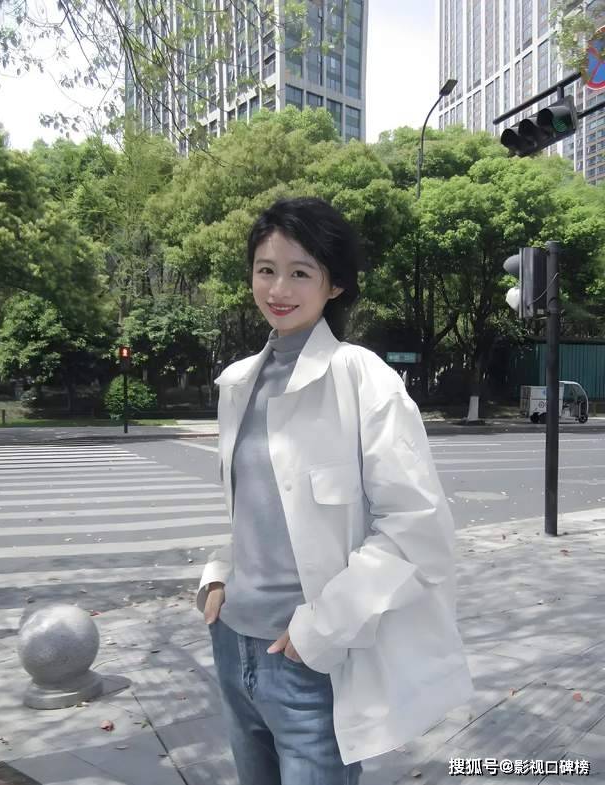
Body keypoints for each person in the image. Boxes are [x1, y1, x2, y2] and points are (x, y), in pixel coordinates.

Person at [196, 197, 474, 785]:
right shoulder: (239, 382)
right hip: (232, 646)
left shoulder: (363, 378)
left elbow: (414, 526)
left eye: (300, 272)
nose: (279, 289)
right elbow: (254, 510)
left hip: (308, 661)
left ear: (335, 285)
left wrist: (320, 630)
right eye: (266, 269)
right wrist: (218, 574)